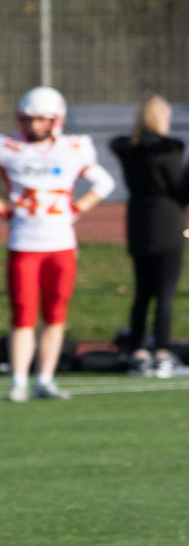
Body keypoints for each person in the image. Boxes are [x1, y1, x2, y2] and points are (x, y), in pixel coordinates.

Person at [0, 87, 115, 401]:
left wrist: (76, 209)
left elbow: (104, 182)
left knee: (56, 314)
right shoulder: (7, 147)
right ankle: (18, 380)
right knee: (23, 314)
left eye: (40, 120)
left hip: (61, 243)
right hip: (24, 242)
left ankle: (45, 378)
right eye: (28, 120)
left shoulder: (74, 147)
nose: (33, 127)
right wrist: (2, 209)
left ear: (55, 120)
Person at [110, 96, 188, 378]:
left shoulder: (130, 149)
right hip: (167, 221)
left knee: (143, 292)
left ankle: (138, 350)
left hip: (139, 221)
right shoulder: (169, 151)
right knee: (164, 292)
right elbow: (179, 189)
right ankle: (163, 352)